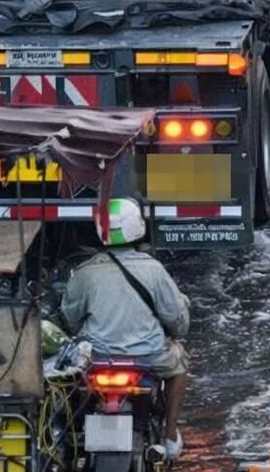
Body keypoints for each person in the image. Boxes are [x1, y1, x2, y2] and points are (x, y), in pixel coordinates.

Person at [61, 197, 190, 460]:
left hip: (96, 358)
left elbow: (70, 318)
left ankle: (69, 436)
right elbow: (177, 320)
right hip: (150, 356)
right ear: (138, 227)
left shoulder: (85, 273)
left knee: (68, 384)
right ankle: (169, 437)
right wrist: (175, 333)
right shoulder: (154, 270)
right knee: (180, 366)